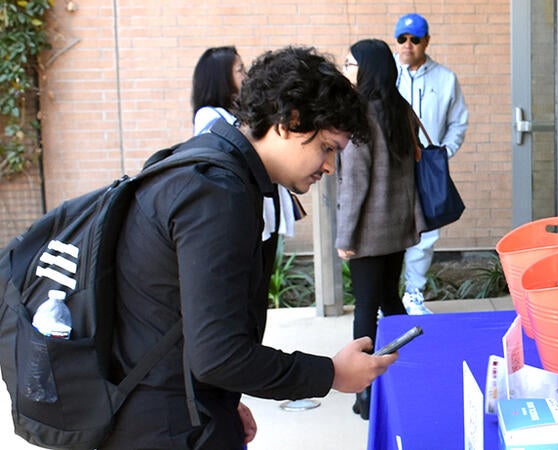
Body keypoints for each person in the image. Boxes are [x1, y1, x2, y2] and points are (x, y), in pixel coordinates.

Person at [104, 46, 396, 449]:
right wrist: (330, 374)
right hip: (165, 426)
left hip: (173, 405)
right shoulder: (217, 194)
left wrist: (221, 398)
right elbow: (219, 355)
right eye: (327, 147)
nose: (329, 167)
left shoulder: (205, 165)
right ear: (288, 121)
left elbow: (187, 327)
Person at [336, 38, 423, 420]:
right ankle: (415, 366)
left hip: (369, 234)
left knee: (365, 313)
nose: (345, 69)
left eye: (349, 63)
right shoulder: (400, 109)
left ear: (366, 69)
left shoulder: (360, 118)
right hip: (398, 228)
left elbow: (355, 185)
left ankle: (365, 393)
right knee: (390, 299)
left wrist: (345, 238)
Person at [191, 46, 301, 279]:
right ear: (221, 79)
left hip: (264, 210)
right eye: (240, 70)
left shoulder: (238, 113)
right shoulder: (209, 116)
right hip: (244, 213)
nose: (246, 75)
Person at [393, 12, 469, 315]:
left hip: (428, 167)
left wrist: (443, 153)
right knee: (392, 231)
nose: (407, 45)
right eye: (402, 39)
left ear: (426, 41)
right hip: (395, 167)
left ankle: (414, 294)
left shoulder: (445, 78)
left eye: (414, 39)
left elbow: (458, 122)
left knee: (426, 234)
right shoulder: (389, 77)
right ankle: (389, 297)